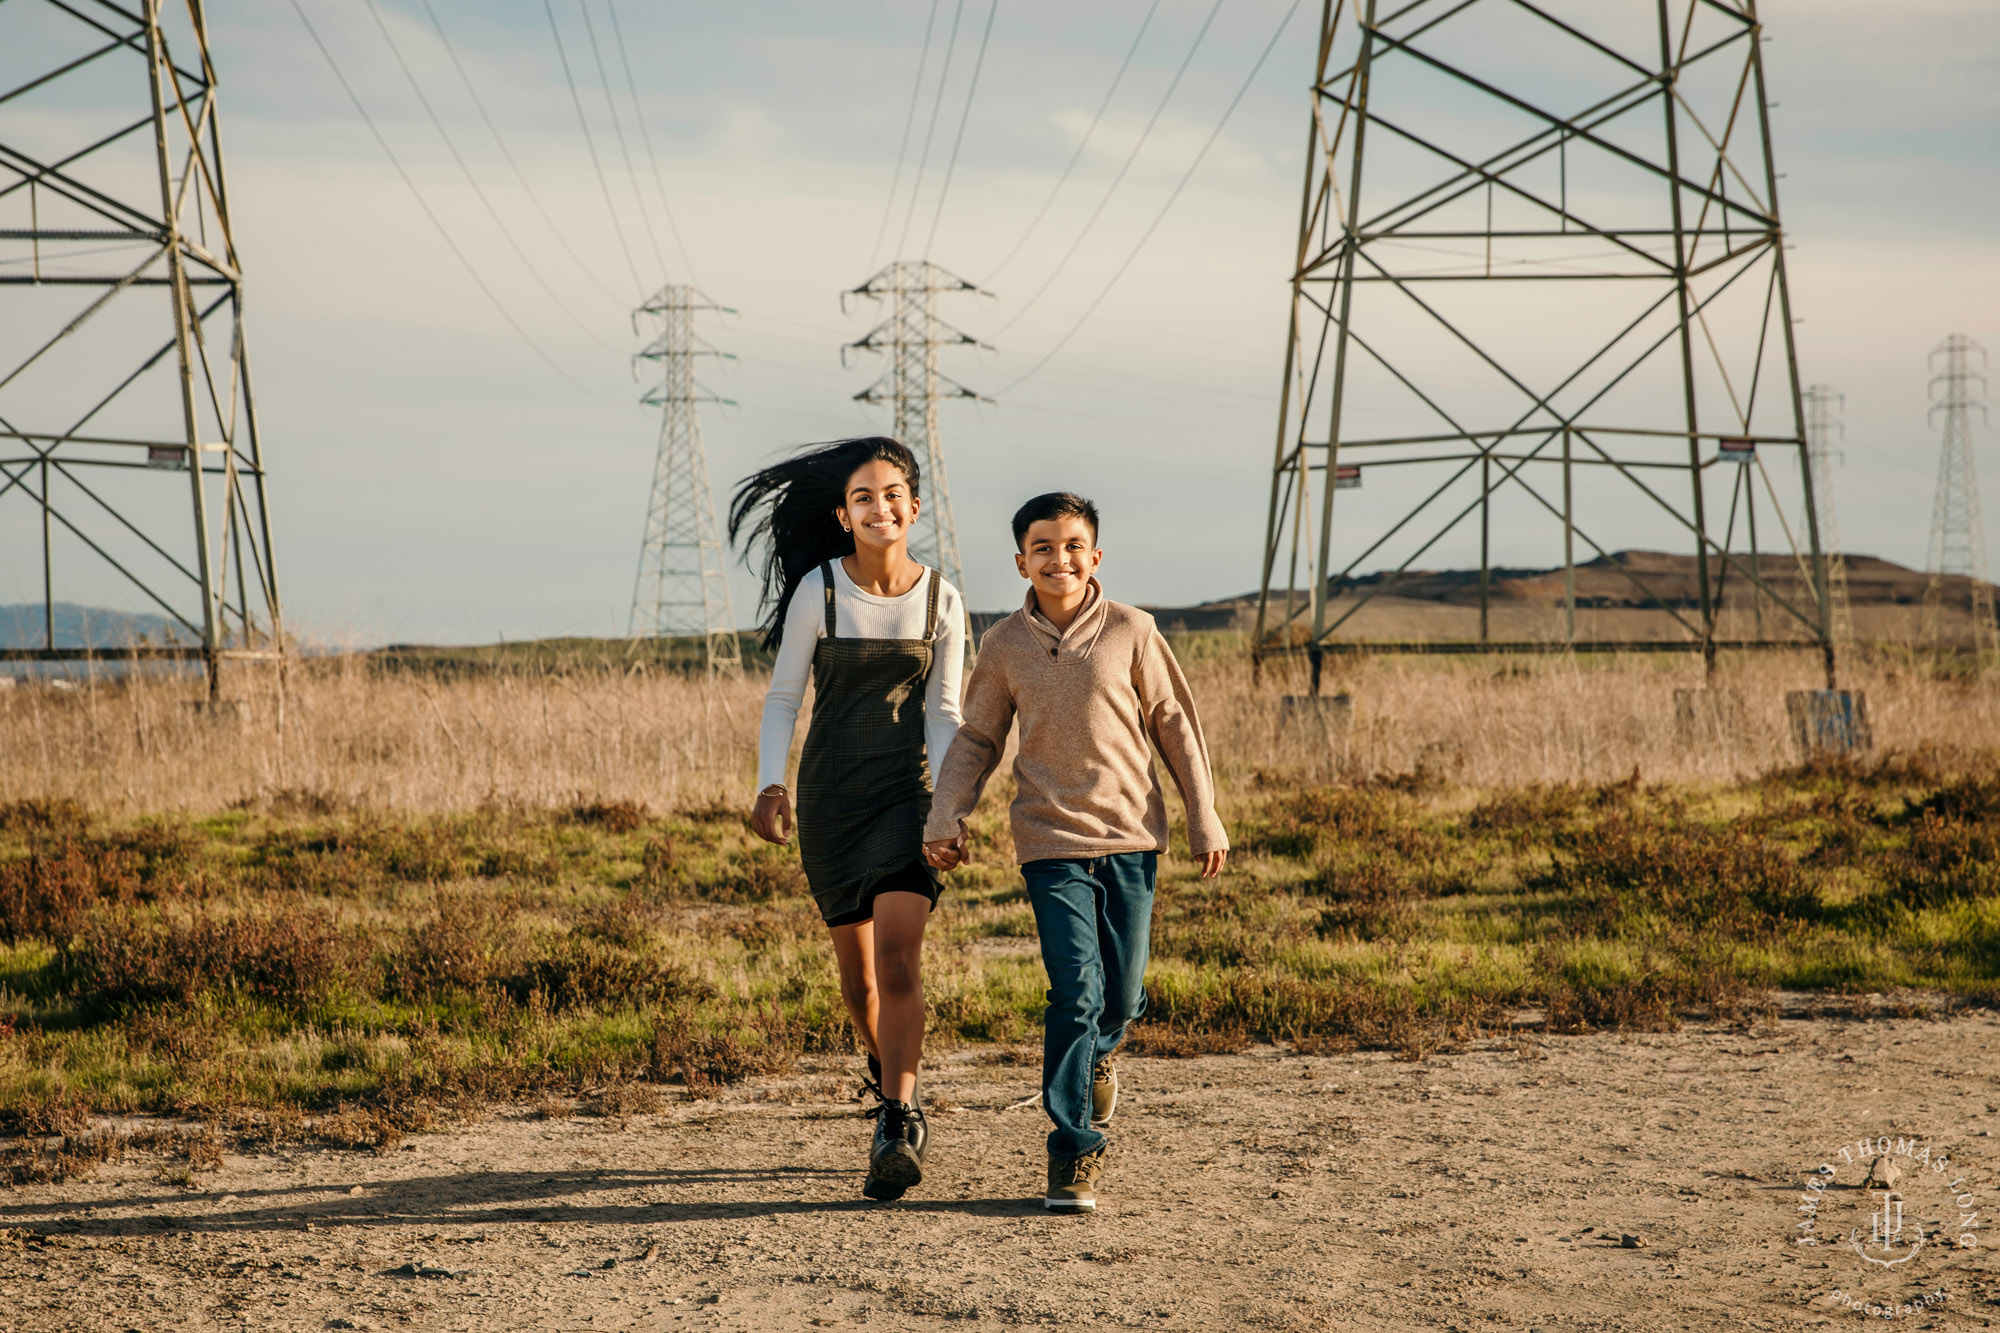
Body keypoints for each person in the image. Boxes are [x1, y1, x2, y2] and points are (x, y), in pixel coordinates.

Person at [921, 491, 1227, 1212]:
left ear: (1095, 556)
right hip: (1048, 840)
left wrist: (1203, 813)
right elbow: (978, 738)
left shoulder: (1132, 630)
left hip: (1131, 836)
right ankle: (1073, 1148)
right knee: (1076, 990)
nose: (1059, 559)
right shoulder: (1003, 645)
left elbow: (1174, 724)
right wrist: (946, 811)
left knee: (1119, 995)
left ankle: (1101, 1055)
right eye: (1043, 548)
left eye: (1072, 546)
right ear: (1022, 560)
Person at [730, 437, 966, 1202]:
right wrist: (772, 786)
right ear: (843, 514)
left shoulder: (942, 599)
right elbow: (782, 699)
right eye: (863, 496)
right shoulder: (820, 591)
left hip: (907, 795)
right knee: (859, 980)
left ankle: (897, 1119)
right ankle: (888, 1067)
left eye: (892, 493)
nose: (879, 506)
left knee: (898, 960)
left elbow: (945, 712)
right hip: (831, 800)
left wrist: (949, 807)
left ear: (914, 507)